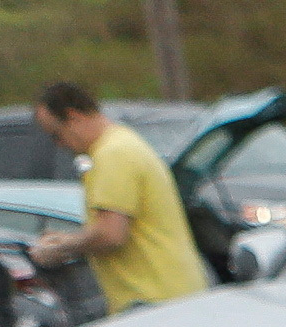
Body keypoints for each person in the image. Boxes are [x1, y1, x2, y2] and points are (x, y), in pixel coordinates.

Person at [22, 83, 205, 314]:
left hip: (151, 298)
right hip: (170, 293)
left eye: (56, 135)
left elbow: (111, 235)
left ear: (74, 117)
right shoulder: (124, 142)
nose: (59, 145)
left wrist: (60, 247)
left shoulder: (112, 154)